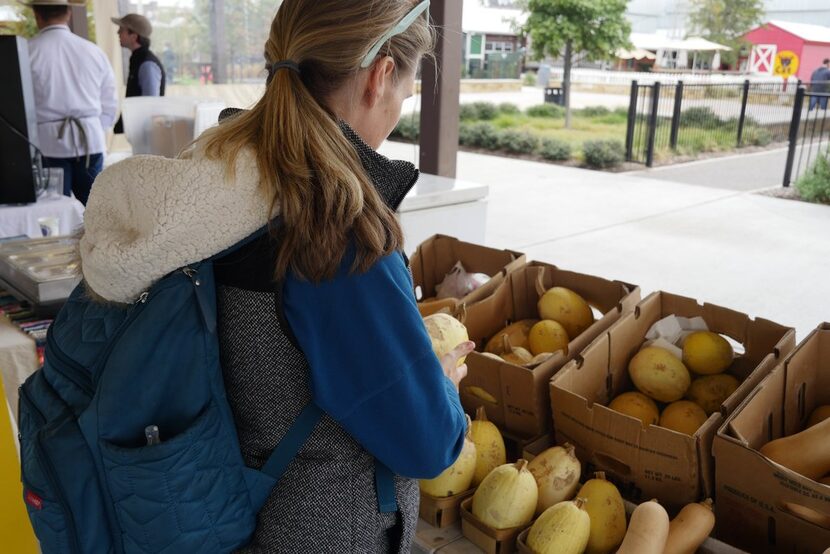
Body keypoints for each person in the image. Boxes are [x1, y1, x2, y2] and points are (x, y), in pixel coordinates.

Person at [79, 1, 469, 552]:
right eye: (406, 93)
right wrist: (444, 390)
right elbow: (427, 443)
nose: (398, 110)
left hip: (226, 512)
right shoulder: (334, 230)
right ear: (380, 77)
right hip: (322, 534)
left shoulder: (221, 180)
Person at [25, 0, 117, 205]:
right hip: (90, 139)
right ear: (69, 13)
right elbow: (110, 101)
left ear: (37, 16)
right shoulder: (93, 51)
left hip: (48, 143)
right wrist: (95, 128)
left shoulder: (27, 52)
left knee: (54, 209)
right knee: (94, 210)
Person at [111, 13, 165, 133]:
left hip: (145, 135)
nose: (118, 33)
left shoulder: (147, 64)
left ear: (134, 36)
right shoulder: (139, 60)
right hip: (140, 133)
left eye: (121, 30)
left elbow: (150, 106)